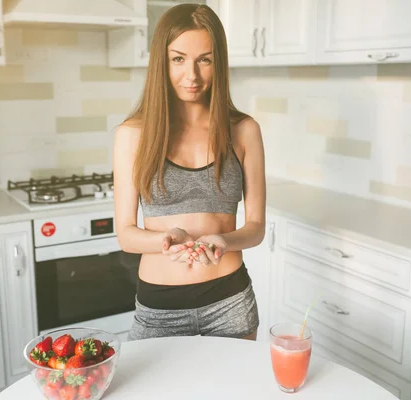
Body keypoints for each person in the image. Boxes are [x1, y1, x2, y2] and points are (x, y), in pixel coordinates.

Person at [113, 3, 266, 341]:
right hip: (159, 309)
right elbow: (125, 233)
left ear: (218, 63)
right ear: (162, 62)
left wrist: (224, 240)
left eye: (205, 60)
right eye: (178, 59)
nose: (192, 76)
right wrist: (163, 240)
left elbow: (255, 229)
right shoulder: (133, 135)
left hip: (230, 302)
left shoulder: (244, 131)